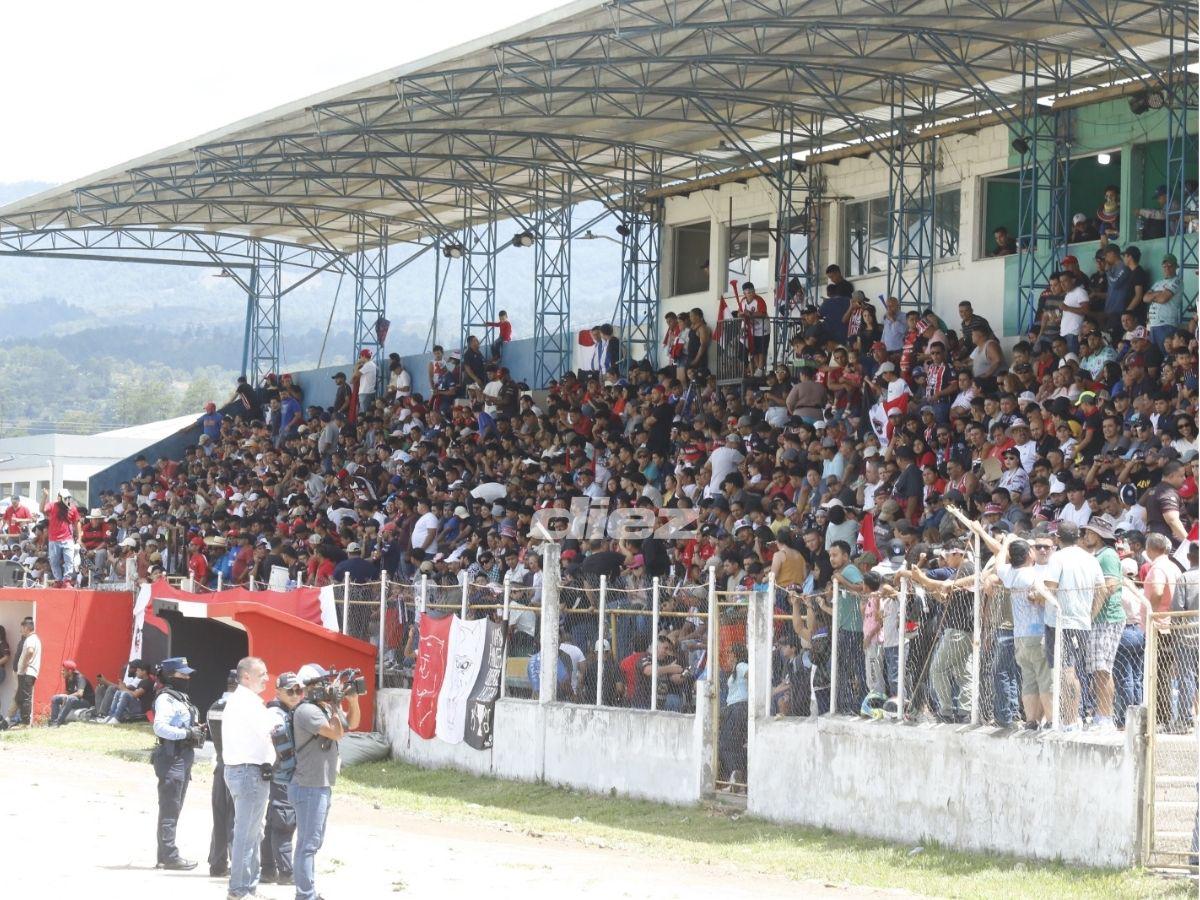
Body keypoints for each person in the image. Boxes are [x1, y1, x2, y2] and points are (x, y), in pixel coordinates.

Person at [291, 663, 362, 900]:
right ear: (308, 688)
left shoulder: (323, 708)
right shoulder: (307, 711)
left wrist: (352, 701)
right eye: (319, 683)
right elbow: (335, 733)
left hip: (320, 784)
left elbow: (352, 723)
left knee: (313, 842)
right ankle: (305, 895)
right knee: (307, 845)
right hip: (309, 785)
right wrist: (333, 704)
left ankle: (307, 892)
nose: (325, 686)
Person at [222, 656, 276, 900]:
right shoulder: (247, 702)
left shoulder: (240, 700)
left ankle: (248, 886)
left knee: (254, 830)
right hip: (248, 772)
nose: (266, 678)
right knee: (247, 832)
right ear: (246, 677)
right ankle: (239, 889)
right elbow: (269, 728)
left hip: (243, 771)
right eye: (261, 673)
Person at [152, 657, 204, 871]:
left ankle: (165, 855)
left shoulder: (180, 698)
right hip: (172, 757)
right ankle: (169, 856)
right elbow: (160, 728)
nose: (187, 677)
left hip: (181, 757)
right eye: (182, 674)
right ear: (170, 676)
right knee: (170, 809)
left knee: (173, 808)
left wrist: (194, 730)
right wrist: (186, 732)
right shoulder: (167, 699)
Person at [261, 672, 302, 886]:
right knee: (284, 822)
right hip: (283, 776)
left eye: (299, 690)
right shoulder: (276, 714)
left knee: (274, 822)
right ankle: (286, 872)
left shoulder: (287, 711)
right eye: (290, 691)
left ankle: (267, 869)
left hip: (282, 776)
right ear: (278, 691)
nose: (296, 695)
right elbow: (282, 747)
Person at [206, 668, 238, 879]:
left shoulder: (214, 706)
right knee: (236, 818)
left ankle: (217, 863)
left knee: (219, 817)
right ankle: (238, 865)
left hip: (220, 764)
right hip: (237, 767)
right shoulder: (240, 709)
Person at [42, 487, 81, 585]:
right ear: (59, 497)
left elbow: (77, 523)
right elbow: (42, 509)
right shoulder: (52, 505)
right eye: (65, 497)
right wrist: (45, 496)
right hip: (54, 539)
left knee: (69, 560)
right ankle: (58, 580)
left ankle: (66, 580)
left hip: (68, 539)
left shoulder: (72, 508)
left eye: (68, 497)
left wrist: (79, 537)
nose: (67, 499)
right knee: (54, 561)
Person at [11, 617, 40, 727]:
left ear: (27, 628)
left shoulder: (31, 639)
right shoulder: (33, 638)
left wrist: (23, 666)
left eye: (22, 628)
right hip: (26, 673)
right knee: (20, 697)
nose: (20, 630)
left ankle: (25, 723)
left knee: (25, 698)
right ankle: (19, 720)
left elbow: (30, 651)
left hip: (27, 673)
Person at [48, 659, 93, 726]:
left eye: (64, 670)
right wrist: (63, 696)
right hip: (74, 700)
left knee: (70, 698)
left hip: (86, 702)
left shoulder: (80, 678)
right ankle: (53, 721)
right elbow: (67, 692)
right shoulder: (68, 678)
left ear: (70, 671)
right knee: (55, 698)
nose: (62, 672)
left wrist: (67, 697)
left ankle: (57, 722)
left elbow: (80, 694)